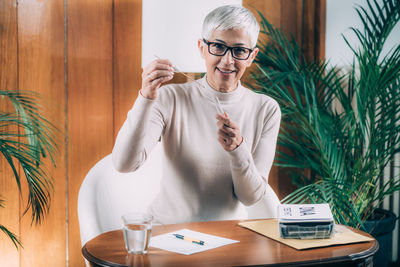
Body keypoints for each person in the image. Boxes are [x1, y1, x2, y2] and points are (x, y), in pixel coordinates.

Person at [112, 5, 281, 224]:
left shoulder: (266, 109)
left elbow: (251, 198)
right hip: (166, 230)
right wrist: (146, 97)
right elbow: (124, 163)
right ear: (202, 48)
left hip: (229, 236)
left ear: (251, 56)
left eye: (239, 50)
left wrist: (238, 149)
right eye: (218, 46)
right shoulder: (169, 98)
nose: (228, 60)